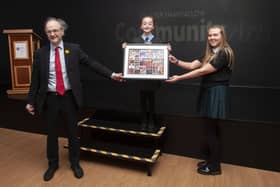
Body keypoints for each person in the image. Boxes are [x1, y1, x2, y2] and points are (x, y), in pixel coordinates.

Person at [25, 17, 123, 181]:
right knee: (51, 134)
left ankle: (75, 163)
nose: (52, 34)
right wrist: (30, 100)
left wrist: (111, 74)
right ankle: (52, 164)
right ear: (46, 34)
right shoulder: (40, 53)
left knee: (73, 133)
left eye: (55, 30)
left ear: (62, 31)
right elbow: (35, 79)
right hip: (50, 99)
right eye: (49, 31)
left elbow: (92, 63)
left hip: (69, 98)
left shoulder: (74, 49)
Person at [166, 25, 234, 175]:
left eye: (215, 35)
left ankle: (215, 167)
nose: (212, 38)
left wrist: (179, 78)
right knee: (210, 130)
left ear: (222, 36)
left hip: (216, 93)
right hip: (209, 92)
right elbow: (192, 65)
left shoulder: (224, 53)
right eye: (210, 35)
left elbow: (203, 71)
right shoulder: (210, 53)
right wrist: (176, 61)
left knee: (212, 131)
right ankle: (211, 161)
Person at [122, 16, 170, 132]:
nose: (147, 26)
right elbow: (130, 57)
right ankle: (144, 120)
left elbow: (163, 57)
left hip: (153, 78)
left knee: (152, 99)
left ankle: (152, 121)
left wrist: (167, 49)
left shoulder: (159, 41)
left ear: (153, 26)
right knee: (142, 99)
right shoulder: (134, 41)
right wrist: (125, 48)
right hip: (141, 78)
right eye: (144, 24)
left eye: (149, 24)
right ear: (141, 26)